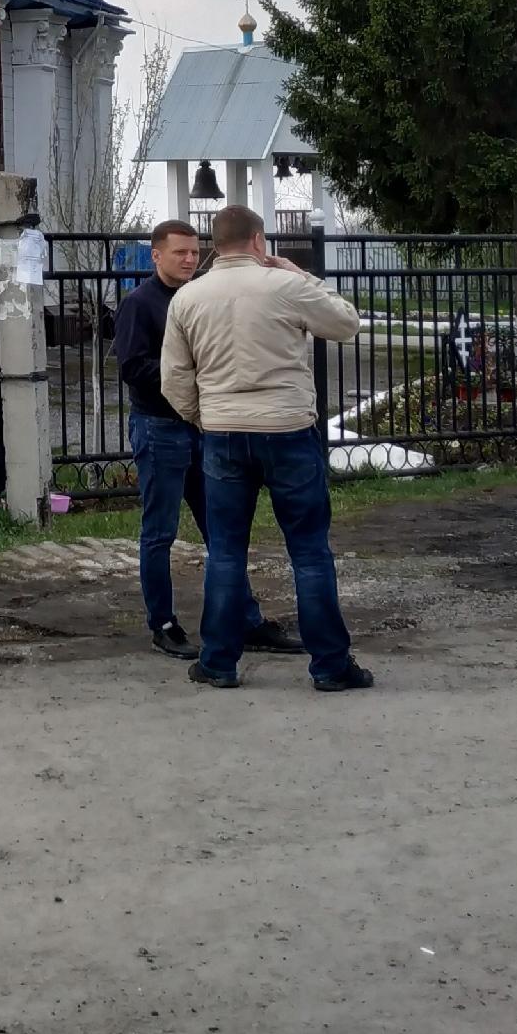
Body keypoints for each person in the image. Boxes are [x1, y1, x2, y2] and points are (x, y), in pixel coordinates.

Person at [162, 204, 372, 691]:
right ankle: (330, 666)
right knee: (309, 552)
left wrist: (204, 416)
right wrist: (301, 272)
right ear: (259, 242)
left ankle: (218, 662)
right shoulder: (286, 286)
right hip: (288, 432)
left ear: (215, 245)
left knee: (227, 552)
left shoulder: (189, 298)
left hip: (223, 434)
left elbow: (173, 377)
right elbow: (345, 323)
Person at [114, 220, 293, 660]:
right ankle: (164, 623)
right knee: (160, 532)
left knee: (222, 530)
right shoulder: (140, 304)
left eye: (195, 252)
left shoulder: (200, 296)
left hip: (203, 427)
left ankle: (245, 619)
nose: (190, 260)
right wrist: (191, 381)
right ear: (156, 255)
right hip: (161, 428)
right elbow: (133, 367)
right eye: (180, 253)